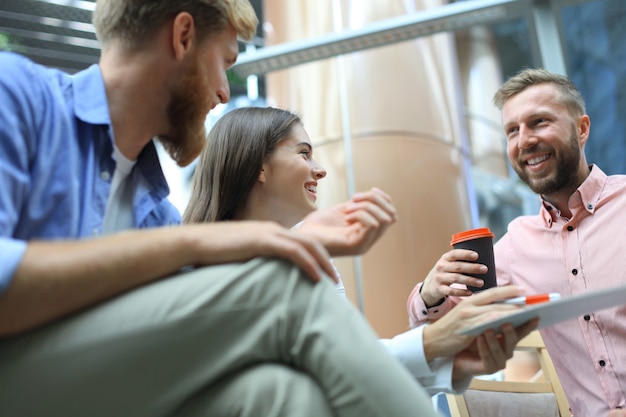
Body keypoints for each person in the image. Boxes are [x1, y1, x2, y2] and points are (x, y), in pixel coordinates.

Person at [0, 1, 455, 416]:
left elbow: (208, 333)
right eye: (225, 62)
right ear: (182, 37)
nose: (223, 93)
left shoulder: (155, 210)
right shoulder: (17, 95)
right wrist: (202, 243)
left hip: (91, 387)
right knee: (280, 286)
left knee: (280, 393)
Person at [184, 106, 538, 395]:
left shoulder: (310, 260)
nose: (320, 170)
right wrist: (437, 342)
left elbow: (348, 370)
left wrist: (454, 360)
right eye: (304, 154)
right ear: (259, 166)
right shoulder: (202, 272)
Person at [408, 68, 626, 417]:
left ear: (581, 129)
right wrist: (429, 293)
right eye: (512, 130)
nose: (524, 141)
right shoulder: (513, 249)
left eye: (539, 122)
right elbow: (437, 340)